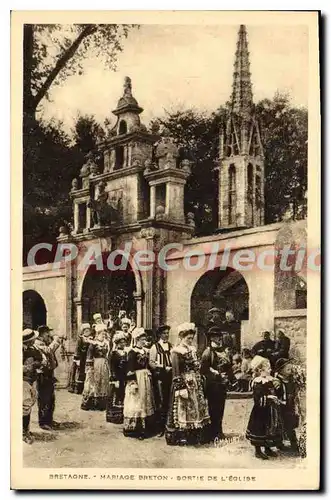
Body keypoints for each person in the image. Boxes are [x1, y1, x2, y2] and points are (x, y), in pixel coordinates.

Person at [165, 323, 210, 446]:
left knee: (195, 407)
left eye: (191, 338)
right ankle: (181, 435)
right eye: (188, 338)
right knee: (182, 408)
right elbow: (176, 371)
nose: (190, 340)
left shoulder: (192, 349)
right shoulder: (176, 351)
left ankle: (193, 434)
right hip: (184, 382)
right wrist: (180, 387)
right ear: (181, 337)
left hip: (194, 382)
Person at [246, 355, 283, 459]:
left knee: (270, 428)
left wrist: (277, 387)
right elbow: (258, 398)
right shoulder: (258, 381)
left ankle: (268, 448)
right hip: (261, 410)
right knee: (260, 429)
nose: (270, 369)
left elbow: (277, 392)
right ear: (260, 370)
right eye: (268, 367)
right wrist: (269, 397)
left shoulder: (271, 379)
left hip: (270, 409)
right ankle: (258, 450)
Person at [123, 327, 155, 439]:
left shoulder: (145, 351)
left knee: (146, 401)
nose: (144, 341)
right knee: (137, 401)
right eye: (141, 339)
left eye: (144, 339)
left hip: (145, 377)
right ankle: (136, 429)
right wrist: (132, 383)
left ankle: (146, 427)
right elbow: (130, 368)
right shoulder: (132, 352)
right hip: (137, 378)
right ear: (136, 340)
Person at [201, 326, 232, 441]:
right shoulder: (208, 352)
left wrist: (228, 376)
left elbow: (229, 366)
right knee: (213, 408)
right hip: (212, 385)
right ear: (211, 338)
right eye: (215, 337)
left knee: (221, 407)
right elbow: (204, 369)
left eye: (219, 336)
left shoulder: (224, 351)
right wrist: (216, 374)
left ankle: (219, 430)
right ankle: (212, 432)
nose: (218, 339)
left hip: (222, 384)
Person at [35, 325, 61, 430]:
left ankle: (49, 420)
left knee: (51, 398)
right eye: (47, 333)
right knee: (44, 399)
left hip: (48, 373)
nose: (49, 335)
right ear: (42, 334)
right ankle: (43, 422)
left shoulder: (44, 342)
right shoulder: (38, 343)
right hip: (42, 374)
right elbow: (49, 350)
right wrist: (55, 341)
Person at [149, 324, 172, 436]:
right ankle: (160, 427)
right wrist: (162, 368)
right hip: (160, 377)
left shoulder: (171, 346)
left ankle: (169, 425)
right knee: (161, 401)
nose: (166, 335)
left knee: (169, 400)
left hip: (170, 376)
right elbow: (151, 363)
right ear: (159, 334)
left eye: (167, 333)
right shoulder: (155, 347)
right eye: (164, 333)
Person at [81, 324, 110, 411]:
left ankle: (101, 403)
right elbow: (89, 356)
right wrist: (90, 368)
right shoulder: (93, 343)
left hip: (104, 364)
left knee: (103, 382)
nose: (103, 336)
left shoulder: (106, 343)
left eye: (104, 334)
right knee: (93, 383)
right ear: (97, 334)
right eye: (101, 334)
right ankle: (92, 403)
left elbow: (108, 355)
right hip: (95, 364)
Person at [274, 358, 300, 454]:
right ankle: (279, 443)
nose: (290, 372)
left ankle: (294, 444)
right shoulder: (277, 381)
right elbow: (276, 393)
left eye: (291, 369)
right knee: (280, 425)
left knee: (290, 425)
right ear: (281, 370)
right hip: (281, 406)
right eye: (288, 370)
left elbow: (293, 390)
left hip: (290, 406)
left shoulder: (291, 380)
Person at [22, 329, 43, 444]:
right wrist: (27, 367)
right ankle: (23, 433)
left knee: (29, 404)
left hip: (32, 379)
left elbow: (39, 359)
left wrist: (37, 364)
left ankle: (26, 430)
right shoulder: (20, 349)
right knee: (25, 406)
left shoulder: (32, 349)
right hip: (23, 380)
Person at [106, 332, 128, 424]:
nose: (123, 344)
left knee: (123, 394)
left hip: (124, 377)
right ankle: (114, 416)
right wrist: (114, 378)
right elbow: (111, 367)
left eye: (124, 342)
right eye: (121, 342)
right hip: (117, 377)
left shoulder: (126, 353)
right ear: (117, 343)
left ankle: (122, 415)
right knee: (116, 394)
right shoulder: (113, 353)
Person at [68, 323, 94, 394]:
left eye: (88, 331)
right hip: (81, 357)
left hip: (87, 357)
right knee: (79, 372)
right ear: (83, 332)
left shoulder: (91, 339)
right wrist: (77, 359)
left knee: (85, 372)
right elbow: (78, 348)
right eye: (85, 331)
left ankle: (84, 388)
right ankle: (77, 389)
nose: (87, 332)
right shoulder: (80, 339)